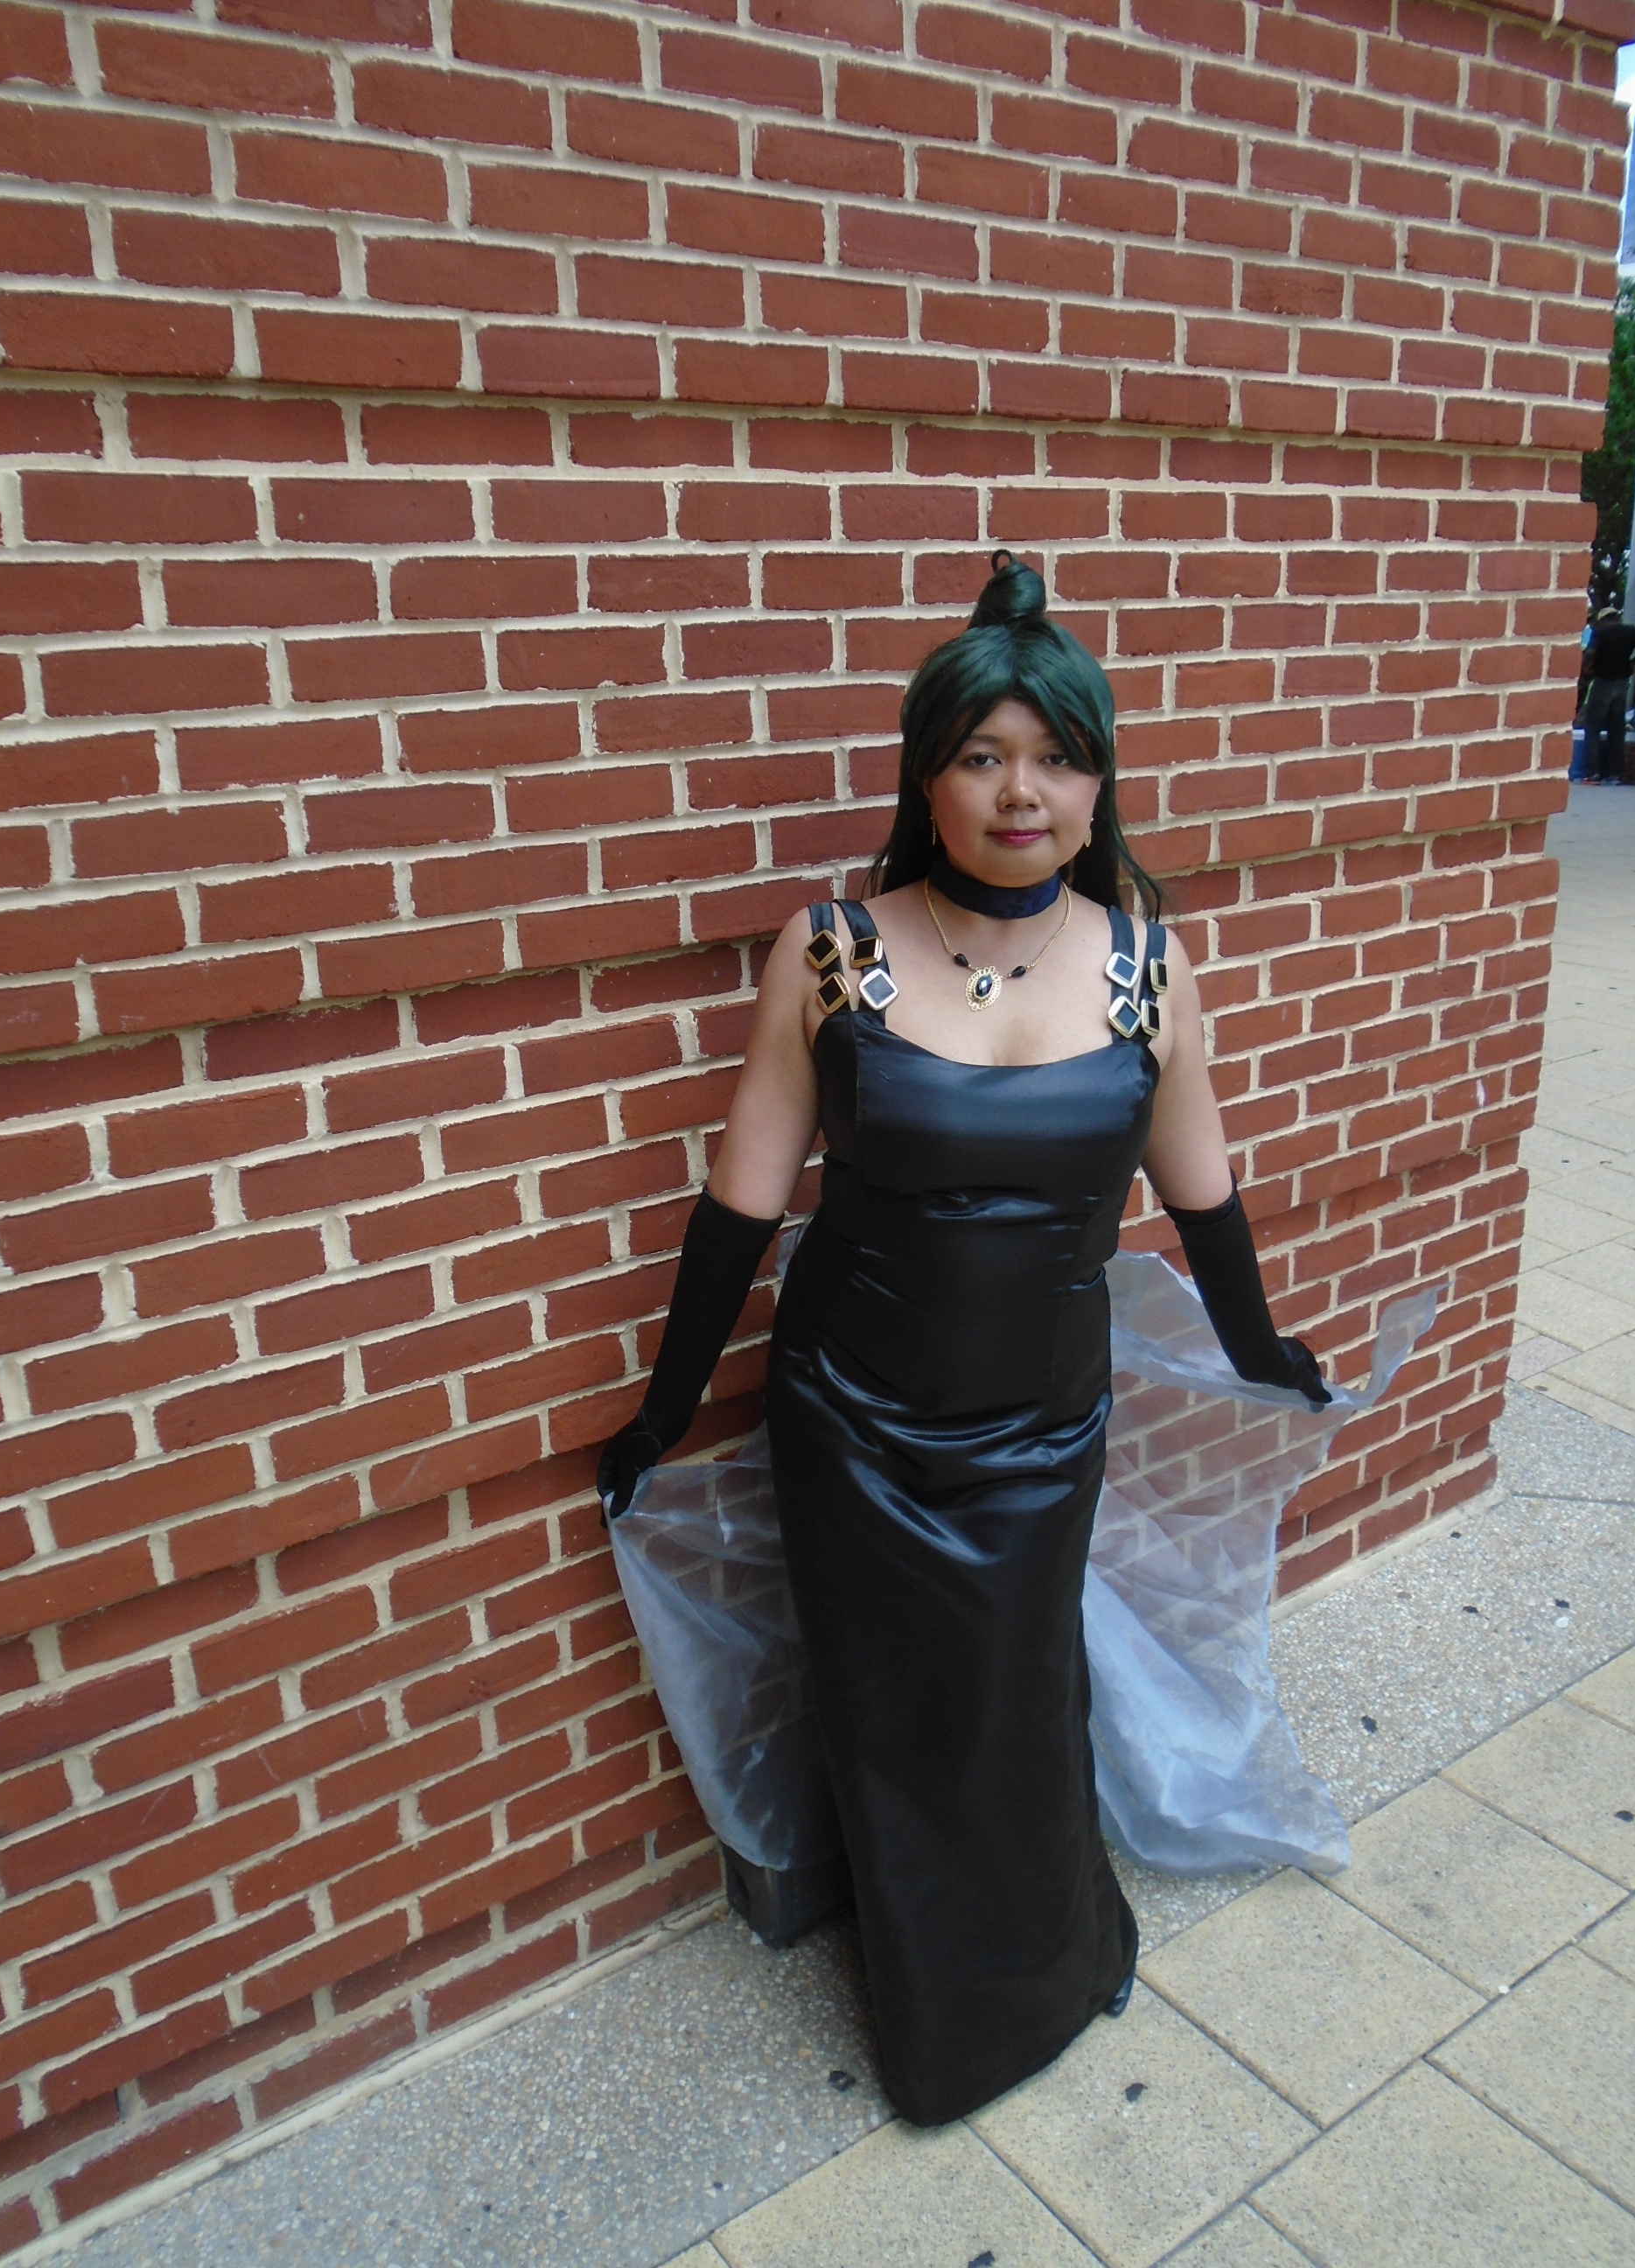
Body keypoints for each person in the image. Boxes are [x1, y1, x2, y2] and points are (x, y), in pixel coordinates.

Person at [597, 553, 1329, 2128]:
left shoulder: (1145, 964)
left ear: (1096, 781)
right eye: (982, 755)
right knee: (893, 1716)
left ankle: (1057, 1958)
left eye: (1056, 757)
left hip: (1040, 1424)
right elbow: (738, 1204)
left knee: (1018, 1697)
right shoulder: (830, 951)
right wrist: (663, 1409)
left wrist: (1263, 1349)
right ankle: (942, 2033)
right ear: (925, 774)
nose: (1020, 793)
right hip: (853, 1420)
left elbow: (1203, 1195)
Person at [1582, 606, 1635, 784]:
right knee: (1617, 729)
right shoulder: (1631, 631)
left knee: (1592, 727)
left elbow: (1590, 652)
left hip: (1603, 682)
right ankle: (1616, 774)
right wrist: (1633, 662)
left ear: (1603, 620)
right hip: (1622, 683)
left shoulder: (1600, 632)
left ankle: (1592, 773)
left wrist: (1584, 669)